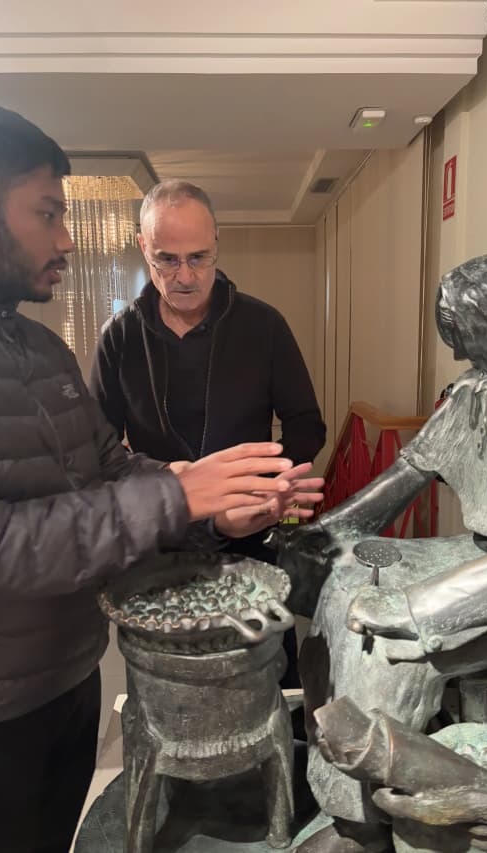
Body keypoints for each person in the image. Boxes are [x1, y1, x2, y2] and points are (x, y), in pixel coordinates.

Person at [0, 100, 323, 853]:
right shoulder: (113, 336)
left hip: (68, 676)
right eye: (50, 212)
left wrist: (220, 510)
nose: (66, 239)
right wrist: (184, 494)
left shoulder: (42, 347)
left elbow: (109, 466)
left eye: (200, 257)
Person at [274, 254, 487, 853]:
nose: (464, 361)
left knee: (389, 642)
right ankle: (342, 784)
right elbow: (406, 475)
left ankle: (364, 827)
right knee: (341, 576)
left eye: (470, 342)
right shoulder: (478, 389)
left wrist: (419, 609)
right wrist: (319, 536)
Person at [90, 178, 326, 684]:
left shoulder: (263, 325)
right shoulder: (120, 337)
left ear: (218, 241)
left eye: (198, 257)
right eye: (166, 260)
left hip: (252, 535)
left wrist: (266, 486)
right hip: (162, 540)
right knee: (167, 688)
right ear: (142, 248)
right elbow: (98, 449)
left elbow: (307, 425)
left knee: (270, 684)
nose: (184, 276)